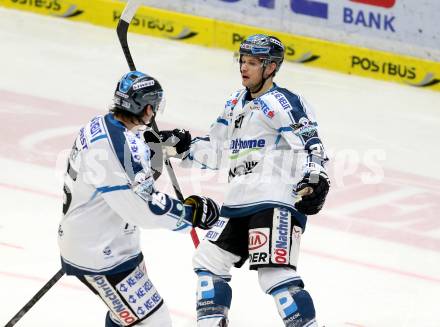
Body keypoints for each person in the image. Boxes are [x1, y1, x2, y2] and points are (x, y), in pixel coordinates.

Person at [160, 34, 330, 326]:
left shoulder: (282, 102)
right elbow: (215, 151)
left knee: (275, 273)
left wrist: (316, 177)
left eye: (252, 62)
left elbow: (310, 143)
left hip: (274, 200)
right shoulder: (234, 103)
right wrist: (181, 146)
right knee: (207, 261)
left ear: (271, 68)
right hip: (239, 202)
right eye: (242, 60)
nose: (244, 67)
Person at [57, 71, 220, 327]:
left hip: (106, 242)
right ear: (146, 108)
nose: (154, 112)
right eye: (154, 107)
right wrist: (190, 213)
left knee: (127, 319)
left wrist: (157, 144)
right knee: (155, 321)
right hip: (100, 254)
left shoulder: (99, 126)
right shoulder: (116, 147)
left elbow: (133, 167)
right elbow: (141, 208)